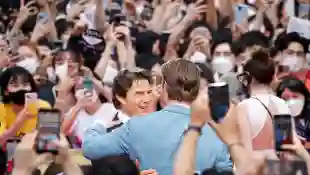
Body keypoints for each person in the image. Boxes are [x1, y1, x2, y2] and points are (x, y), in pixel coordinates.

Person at [83, 59, 232, 174]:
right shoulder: (217, 134)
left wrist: (98, 125)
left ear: (164, 88)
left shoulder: (137, 126)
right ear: (197, 90)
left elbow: (91, 148)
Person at [237, 49, 290, 157]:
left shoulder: (243, 107)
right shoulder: (282, 104)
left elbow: (246, 154)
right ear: (272, 78)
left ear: (246, 78)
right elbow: (286, 150)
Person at [0, 66, 50, 144]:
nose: (21, 88)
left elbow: (49, 141)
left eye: (25, 84)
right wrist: (17, 124)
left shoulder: (44, 106)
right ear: (6, 91)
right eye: (15, 85)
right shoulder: (1, 109)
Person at [276, 76, 310, 144]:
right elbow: (279, 144)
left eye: (295, 96)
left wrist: (303, 144)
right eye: (285, 98)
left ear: (305, 97)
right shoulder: (277, 115)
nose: (291, 101)